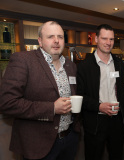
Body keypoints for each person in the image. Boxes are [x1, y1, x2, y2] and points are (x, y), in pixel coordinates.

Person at [0, 21, 81, 160]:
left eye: (60, 37)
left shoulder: (70, 65)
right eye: (50, 36)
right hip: (38, 144)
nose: (56, 41)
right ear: (40, 41)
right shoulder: (23, 60)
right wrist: (52, 108)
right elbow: (7, 103)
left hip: (69, 138)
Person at [76, 24, 124, 160]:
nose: (108, 43)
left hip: (117, 121)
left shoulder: (119, 64)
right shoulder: (84, 66)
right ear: (96, 39)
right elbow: (80, 96)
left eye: (111, 39)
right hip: (95, 121)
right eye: (104, 38)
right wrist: (99, 106)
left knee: (116, 156)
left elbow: (122, 92)